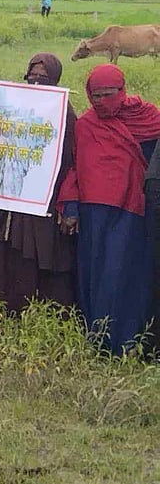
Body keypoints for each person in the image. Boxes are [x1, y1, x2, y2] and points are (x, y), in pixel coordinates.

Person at [59, 65, 160, 353]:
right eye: (96, 96)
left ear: (122, 90)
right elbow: (77, 167)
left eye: (108, 95)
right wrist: (72, 205)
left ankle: (126, 341)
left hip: (131, 209)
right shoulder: (86, 125)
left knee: (126, 273)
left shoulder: (148, 118)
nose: (102, 102)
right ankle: (98, 339)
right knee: (95, 273)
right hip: (94, 212)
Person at [0, 53, 77, 313]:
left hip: (43, 202)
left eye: (43, 77)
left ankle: (31, 312)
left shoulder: (65, 113)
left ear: (55, 79)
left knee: (34, 253)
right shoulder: (14, 106)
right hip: (9, 195)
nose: (36, 82)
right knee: (1, 249)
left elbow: (67, 159)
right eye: (32, 76)